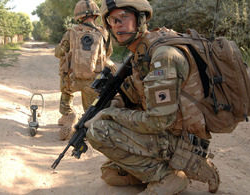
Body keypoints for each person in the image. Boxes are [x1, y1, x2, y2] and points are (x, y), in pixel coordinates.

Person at [84, 0, 220, 194]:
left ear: (140, 19)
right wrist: (112, 103)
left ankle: (171, 176)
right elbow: (134, 95)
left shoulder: (162, 57)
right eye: (112, 21)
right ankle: (174, 168)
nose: (117, 25)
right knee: (112, 174)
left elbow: (159, 121)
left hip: (183, 140)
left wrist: (109, 114)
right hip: (171, 133)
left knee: (98, 130)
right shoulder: (142, 53)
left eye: (123, 17)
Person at [55, 0, 115, 140]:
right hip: (94, 80)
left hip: (71, 78)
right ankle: (87, 123)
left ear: (78, 16)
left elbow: (59, 52)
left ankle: (68, 115)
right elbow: (108, 53)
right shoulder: (103, 33)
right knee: (90, 107)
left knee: (66, 94)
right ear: (95, 15)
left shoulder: (71, 32)